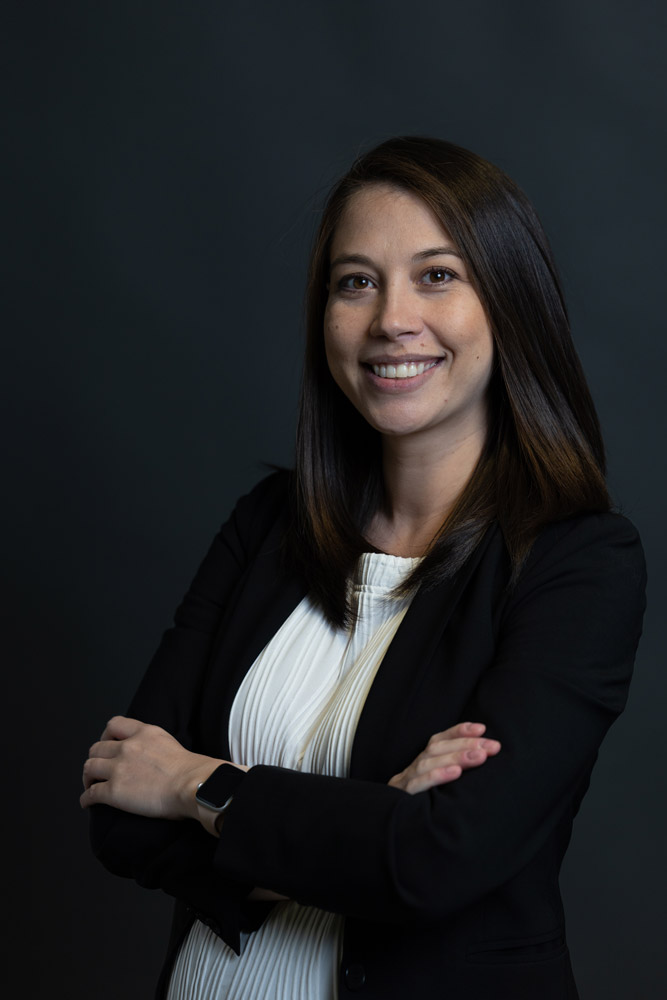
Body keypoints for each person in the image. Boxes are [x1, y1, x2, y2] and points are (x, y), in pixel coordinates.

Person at [81, 136, 646, 1000]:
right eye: (356, 281)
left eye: (436, 275)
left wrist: (197, 785)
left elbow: (433, 861)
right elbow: (121, 812)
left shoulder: (577, 564)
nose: (389, 319)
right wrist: (369, 817)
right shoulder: (265, 528)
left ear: (509, 301)